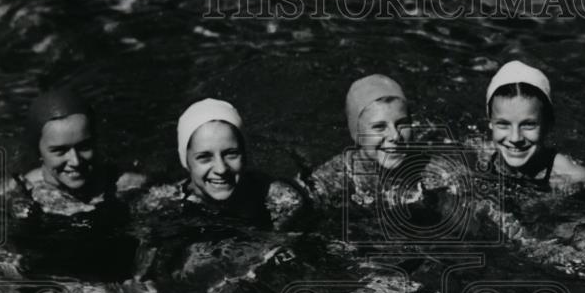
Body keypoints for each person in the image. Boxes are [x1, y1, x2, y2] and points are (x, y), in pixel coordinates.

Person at [135, 97, 305, 229]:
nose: (221, 169)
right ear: (185, 161)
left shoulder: (280, 198)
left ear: (245, 155)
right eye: (204, 157)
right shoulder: (160, 202)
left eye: (231, 154)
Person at [2, 86, 145, 219]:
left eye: (84, 147)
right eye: (60, 151)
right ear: (38, 152)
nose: (75, 161)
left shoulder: (125, 183)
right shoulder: (17, 190)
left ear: (95, 142)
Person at [302, 74, 421, 208]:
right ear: (357, 134)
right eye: (379, 127)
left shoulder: (430, 168)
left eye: (402, 124)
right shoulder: (335, 179)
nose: (395, 136)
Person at [482, 61, 585, 191]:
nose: (515, 138)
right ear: (490, 123)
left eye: (528, 125)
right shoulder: (483, 154)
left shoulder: (573, 178)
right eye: (503, 124)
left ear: (548, 124)